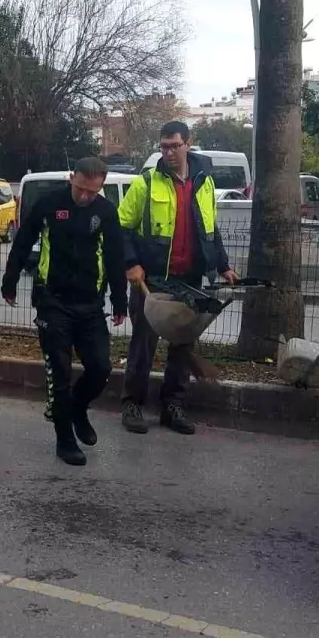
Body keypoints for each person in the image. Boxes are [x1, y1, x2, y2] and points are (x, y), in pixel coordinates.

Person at [1, 157, 128, 466]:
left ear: (101, 187)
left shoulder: (106, 212)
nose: (84, 196)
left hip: (90, 305)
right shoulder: (48, 203)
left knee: (100, 368)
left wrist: (120, 301)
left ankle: (76, 408)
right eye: (80, 188)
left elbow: (114, 258)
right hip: (52, 301)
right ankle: (65, 439)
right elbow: (23, 243)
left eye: (91, 192)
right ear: (72, 178)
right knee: (58, 372)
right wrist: (10, 280)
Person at [118, 121, 238, 436]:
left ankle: (172, 406)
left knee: (183, 344)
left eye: (174, 145)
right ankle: (132, 404)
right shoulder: (146, 182)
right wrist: (131, 263)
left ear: (188, 144)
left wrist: (223, 265)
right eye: (164, 146)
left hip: (189, 279)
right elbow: (122, 228)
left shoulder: (205, 182)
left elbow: (210, 230)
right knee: (143, 344)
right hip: (152, 279)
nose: (169, 152)